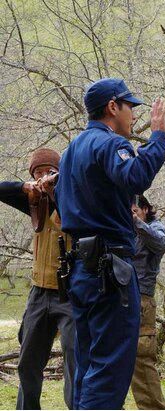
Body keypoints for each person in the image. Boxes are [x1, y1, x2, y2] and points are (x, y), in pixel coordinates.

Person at [54, 78, 165, 409]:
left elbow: (62, 207)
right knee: (110, 368)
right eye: (130, 106)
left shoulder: (71, 151)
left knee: (88, 364)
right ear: (112, 107)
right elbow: (135, 177)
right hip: (110, 271)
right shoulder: (107, 144)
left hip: (81, 268)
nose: (133, 115)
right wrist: (159, 136)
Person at [0, 148, 75, 409]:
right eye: (38, 173)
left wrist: (56, 188)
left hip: (70, 293)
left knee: (74, 358)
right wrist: (25, 188)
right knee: (28, 361)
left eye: (50, 172)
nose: (44, 177)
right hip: (39, 293)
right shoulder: (34, 202)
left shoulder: (74, 201)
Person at [130, 194, 165, 410]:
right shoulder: (119, 227)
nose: (132, 215)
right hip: (116, 299)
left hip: (142, 300)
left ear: (145, 209)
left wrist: (136, 222)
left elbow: (161, 243)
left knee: (141, 359)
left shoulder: (156, 227)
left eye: (135, 211)